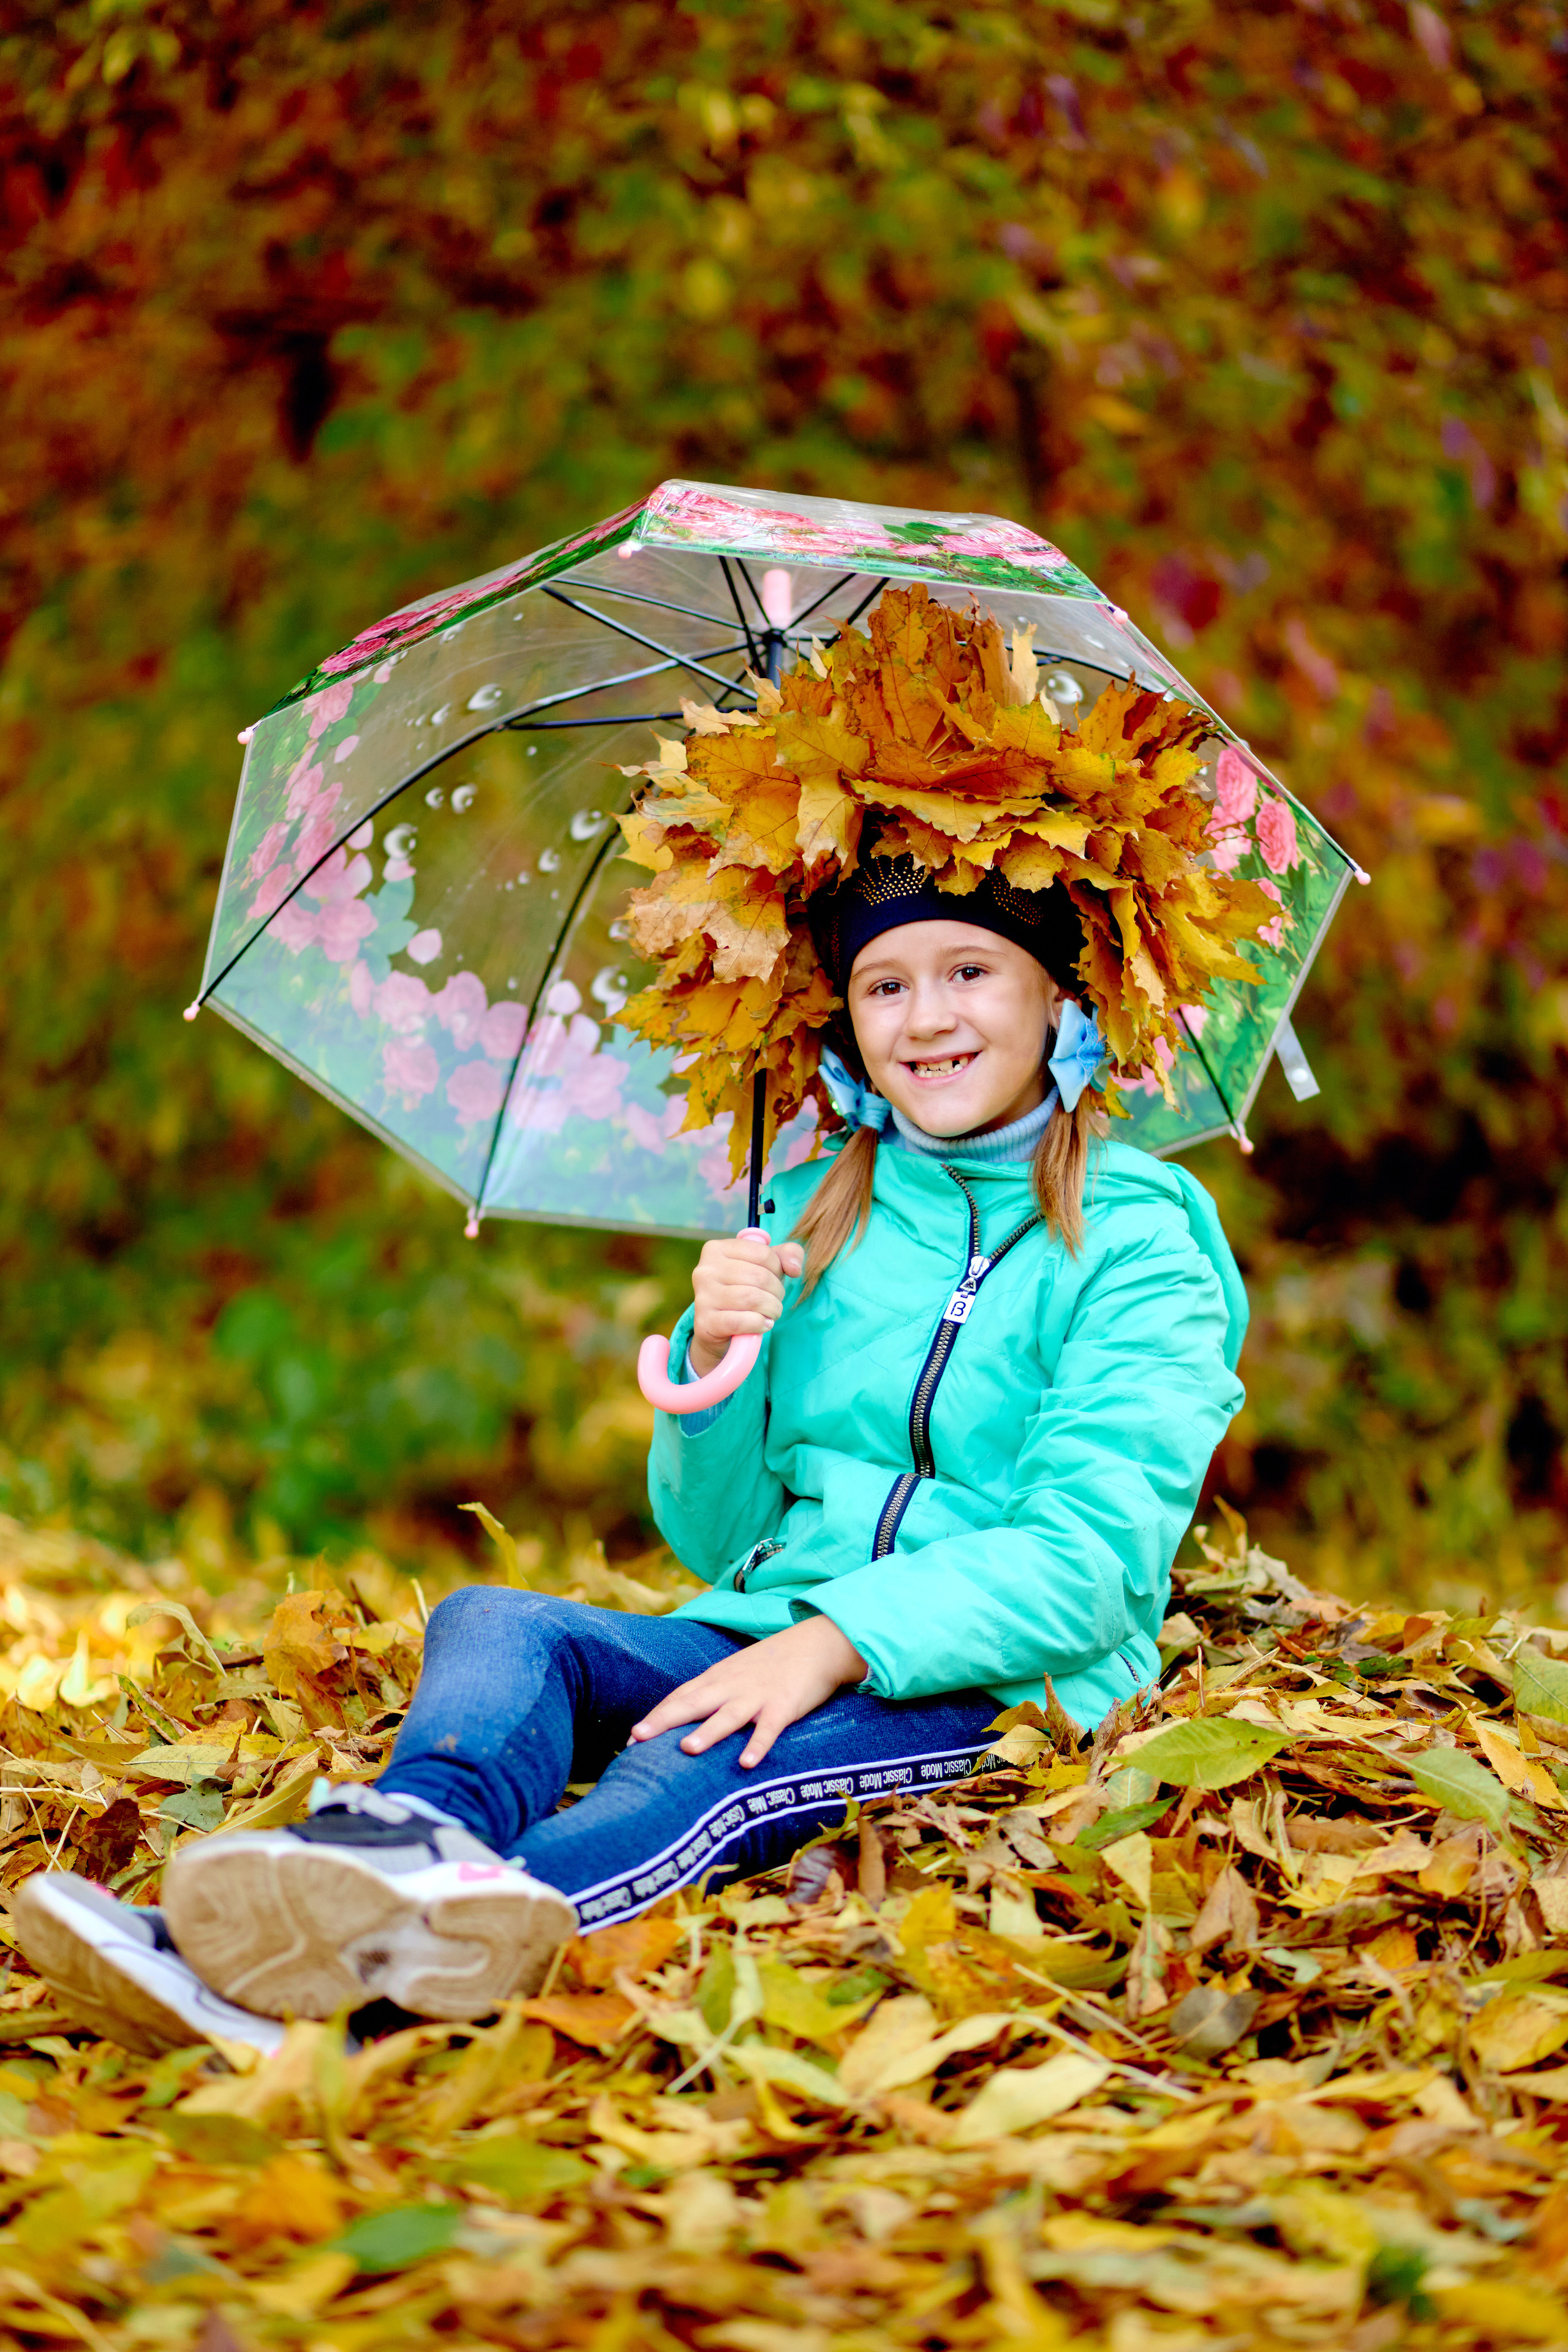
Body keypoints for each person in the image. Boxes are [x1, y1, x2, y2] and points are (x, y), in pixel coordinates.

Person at [18, 601, 1263, 2049]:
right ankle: (394, 1853)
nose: (925, 1018)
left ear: (1058, 997)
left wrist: (838, 1645)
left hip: (991, 1688)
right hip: (762, 1619)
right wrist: (717, 1361)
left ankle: (326, 2015)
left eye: (969, 970)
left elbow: (1092, 1565)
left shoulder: (1134, 1239)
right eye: (881, 983)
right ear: (841, 1021)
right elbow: (718, 1537)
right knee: (503, 1626)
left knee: (689, 1768)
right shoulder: (813, 1210)